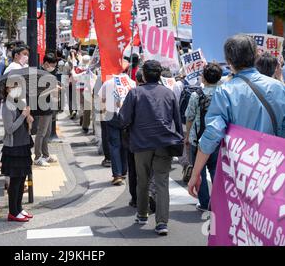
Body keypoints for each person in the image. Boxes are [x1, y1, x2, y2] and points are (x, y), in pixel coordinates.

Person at [188, 35, 285, 198]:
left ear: (228, 61)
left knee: (237, 220)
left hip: (239, 171)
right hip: (273, 169)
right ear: (256, 55)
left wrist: (196, 173)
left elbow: (212, 134)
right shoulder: (278, 88)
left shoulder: (225, 91)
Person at [119, 60, 183, 236]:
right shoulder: (169, 94)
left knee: (143, 180)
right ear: (160, 75)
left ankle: (142, 213)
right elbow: (177, 120)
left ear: (144, 75)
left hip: (141, 143)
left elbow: (123, 119)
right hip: (164, 142)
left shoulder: (135, 93)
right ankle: (162, 222)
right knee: (162, 182)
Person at [185, 63, 223, 212]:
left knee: (198, 171)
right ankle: (218, 202)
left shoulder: (196, 95)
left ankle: (204, 202)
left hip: (198, 138)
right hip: (218, 139)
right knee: (216, 171)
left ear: (204, 78)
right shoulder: (223, 93)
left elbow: (189, 117)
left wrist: (187, 135)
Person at [98, 60, 136, 186]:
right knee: (125, 144)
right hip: (127, 117)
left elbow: (101, 98)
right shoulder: (132, 83)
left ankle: (117, 174)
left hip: (111, 114)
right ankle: (124, 171)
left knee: (114, 145)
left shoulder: (108, 82)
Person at [2, 84, 34, 222]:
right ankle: (13, 212)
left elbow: (24, 126)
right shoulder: (7, 105)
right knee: (15, 181)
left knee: (22, 180)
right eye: (12, 87)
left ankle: (19, 208)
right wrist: (22, 116)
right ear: (7, 89)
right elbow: (9, 129)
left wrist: (29, 120)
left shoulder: (19, 102)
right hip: (14, 147)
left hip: (23, 145)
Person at [32, 54, 58, 167]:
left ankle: (46, 155)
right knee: (41, 132)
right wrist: (53, 89)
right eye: (53, 65)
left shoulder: (46, 73)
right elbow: (37, 92)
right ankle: (38, 157)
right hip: (42, 106)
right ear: (46, 63)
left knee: (47, 132)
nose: (54, 68)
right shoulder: (39, 73)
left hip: (48, 105)